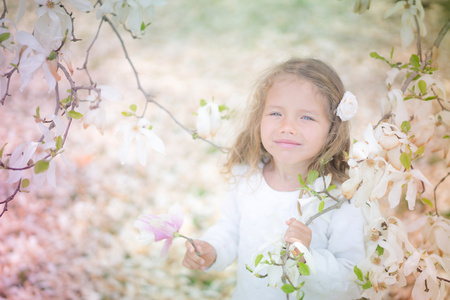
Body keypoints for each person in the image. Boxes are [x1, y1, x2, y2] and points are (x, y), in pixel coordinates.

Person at [182, 58, 365, 299]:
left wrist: (308, 256)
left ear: (332, 128)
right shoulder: (246, 176)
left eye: (307, 117)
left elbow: (352, 280)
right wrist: (212, 249)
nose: (287, 126)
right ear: (259, 117)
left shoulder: (341, 197)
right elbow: (230, 230)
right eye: (276, 113)